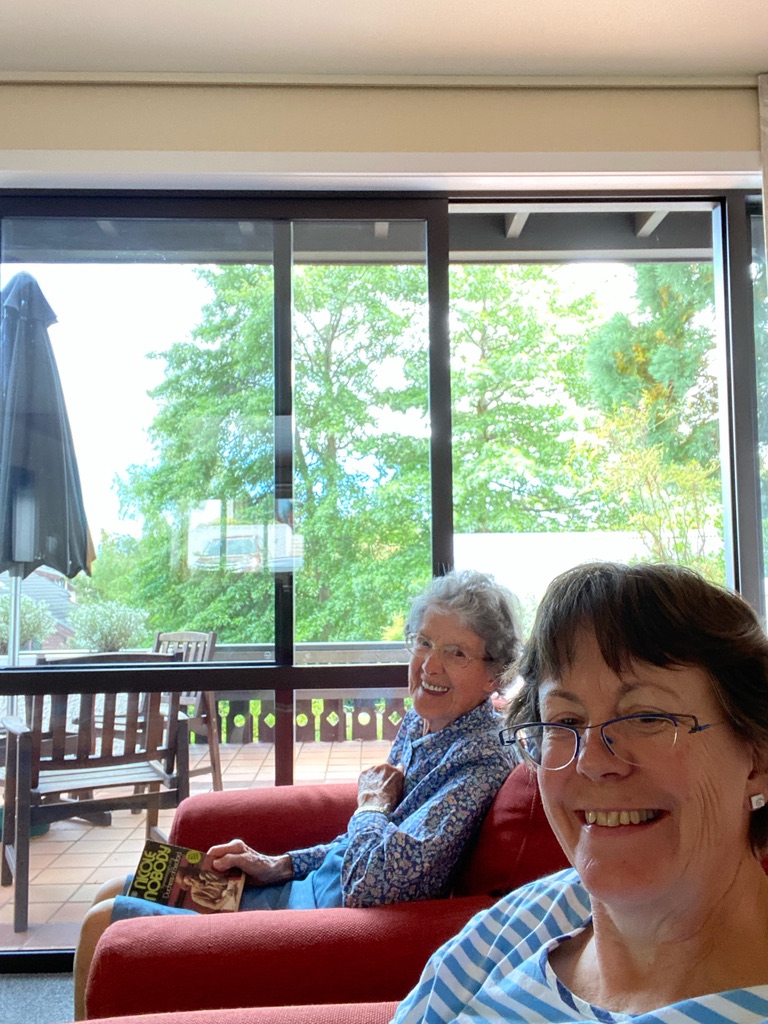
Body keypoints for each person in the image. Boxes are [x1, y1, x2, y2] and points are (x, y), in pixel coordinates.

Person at [74, 568, 520, 1019]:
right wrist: (279, 865)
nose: (430, 665)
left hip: (322, 920)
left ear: (495, 675)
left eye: (456, 652)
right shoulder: (422, 723)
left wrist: (370, 806)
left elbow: (372, 882)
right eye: (423, 642)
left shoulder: (479, 761)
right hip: (304, 889)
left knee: (101, 923)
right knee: (118, 888)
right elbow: (362, 845)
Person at [392, 561, 768, 1024]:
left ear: (757, 759)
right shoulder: (523, 922)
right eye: (565, 721)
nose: (592, 761)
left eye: (646, 717)